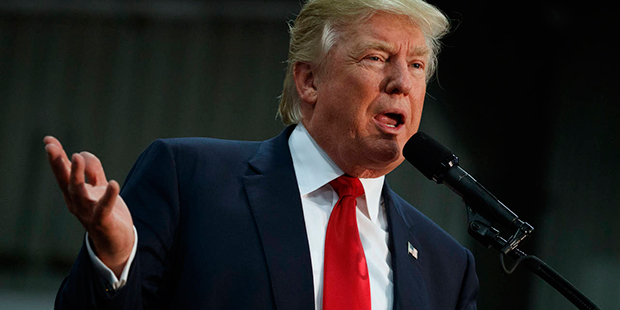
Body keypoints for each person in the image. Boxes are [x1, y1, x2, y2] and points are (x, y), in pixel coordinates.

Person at [45, 0, 479, 309]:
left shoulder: (446, 267)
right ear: (309, 81)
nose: (402, 81)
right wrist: (115, 260)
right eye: (376, 57)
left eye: (418, 65)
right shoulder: (189, 179)